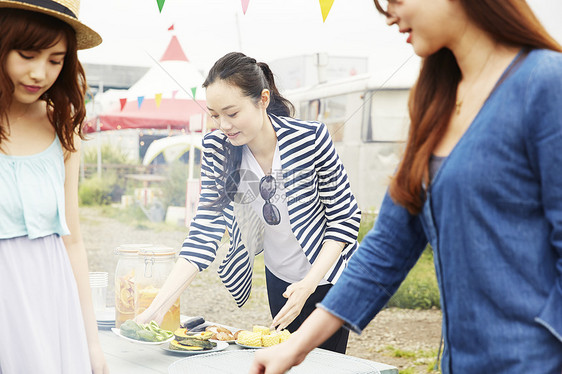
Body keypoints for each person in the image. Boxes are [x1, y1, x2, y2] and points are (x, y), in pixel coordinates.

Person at [250, 0, 562, 373]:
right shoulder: (435, 101)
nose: (389, 15)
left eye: (396, 0)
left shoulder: (545, 83)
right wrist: (295, 348)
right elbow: (386, 248)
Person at [135, 51, 361, 353]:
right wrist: (158, 307)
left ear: (262, 100)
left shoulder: (311, 139)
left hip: (328, 276)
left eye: (232, 113)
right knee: (287, 359)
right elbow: (204, 230)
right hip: (279, 275)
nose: (224, 125)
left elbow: (344, 219)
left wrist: (308, 285)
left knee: (325, 365)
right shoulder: (218, 148)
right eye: (215, 115)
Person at [0, 2, 108, 373]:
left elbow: (72, 240)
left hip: (52, 301)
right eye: (27, 54)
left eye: (55, 60)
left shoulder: (61, 127)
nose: (38, 73)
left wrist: (91, 344)